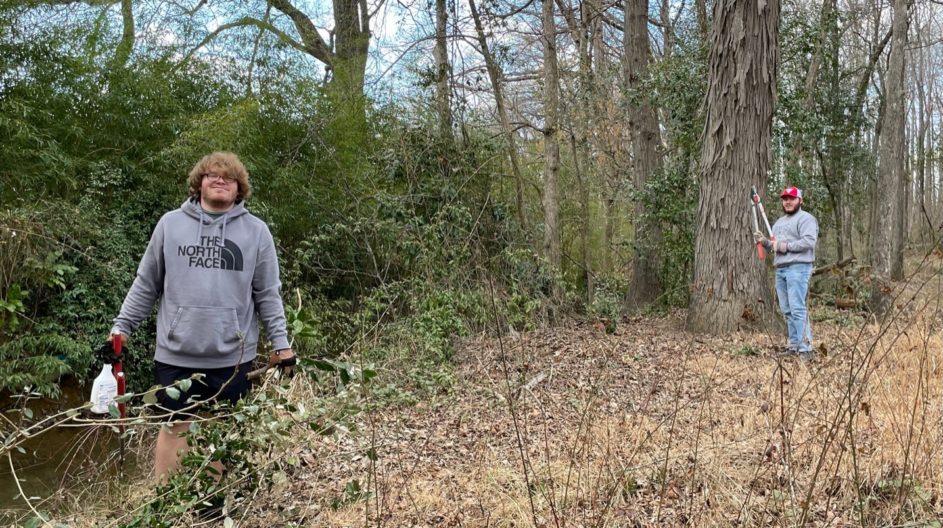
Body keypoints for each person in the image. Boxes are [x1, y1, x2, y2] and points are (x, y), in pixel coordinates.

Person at [110, 151, 296, 481]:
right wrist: (121, 328)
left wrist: (281, 345)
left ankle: (210, 504)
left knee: (218, 429)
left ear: (240, 189)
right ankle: (166, 501)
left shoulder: (257, 232)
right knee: (174, 426)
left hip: (231, 355)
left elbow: (268, 293)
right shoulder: (170, 225)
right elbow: (146, 283)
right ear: (200, 184)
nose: (221, 180)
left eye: (230, 178)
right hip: (176, 352)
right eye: (213, 175)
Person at [753, 186, 818, 359]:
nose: (788, 202)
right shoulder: (778, 223)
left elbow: (808, 242)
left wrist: (784, 246)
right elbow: (775, 248)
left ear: (800, 200)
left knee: (797, 308)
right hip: (781, 269)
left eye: (791, 198)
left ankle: (806, 349)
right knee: (787, 309)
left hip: (799, 268)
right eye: (785, 199)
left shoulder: (806, 219)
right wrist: (765, 241)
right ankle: (794, 346)